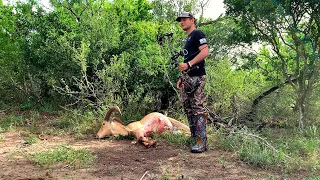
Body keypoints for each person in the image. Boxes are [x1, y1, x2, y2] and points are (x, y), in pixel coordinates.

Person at [176, 12, 209, 153]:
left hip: (198, 77)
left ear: (192, 20)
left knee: (197, 108)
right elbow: (186, 63)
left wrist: (189, 64)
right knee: (188, 108)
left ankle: (202, 142)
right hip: (188, 79)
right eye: (180, 20)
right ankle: (194, 138)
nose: (181, 22)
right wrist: (181, 78)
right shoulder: (188, 39)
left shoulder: (197, 34)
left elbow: (205, 52)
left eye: (184, 19)